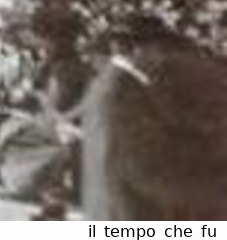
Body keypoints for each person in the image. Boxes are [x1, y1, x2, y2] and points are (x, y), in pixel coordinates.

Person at [80, 16, 227, 220]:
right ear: (139, 49)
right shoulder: (125, 91)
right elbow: (142, 167)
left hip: (109, 205)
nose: (161, 58)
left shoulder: (106, 83)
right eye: (159, 50)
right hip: (127, 210)